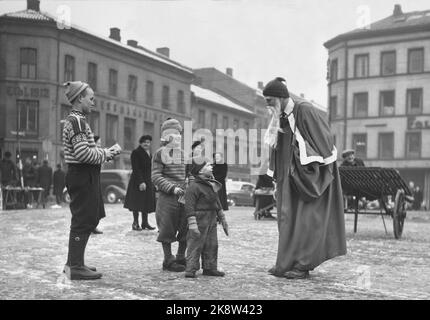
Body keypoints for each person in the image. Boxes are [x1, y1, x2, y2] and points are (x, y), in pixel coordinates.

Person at [263, 77, 346, 279]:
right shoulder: (280, 116)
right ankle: (284, 263)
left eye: (270, 100)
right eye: (266, 101)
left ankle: (303, 265)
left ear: (282, 98)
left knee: (307, 221)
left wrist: (306, 166)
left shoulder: (305, 110)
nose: (268, 105)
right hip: (287, 177)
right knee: (286, 219)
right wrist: (277, 178)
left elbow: (323, 142)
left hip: (308, 176)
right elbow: (277, 148)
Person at [62, 80, 121, 280]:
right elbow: (82, 154)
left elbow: (85, 151)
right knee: (83, 219)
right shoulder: (77, 121)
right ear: (80, 98)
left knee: (87, 218)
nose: (93, 102)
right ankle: (75, 266)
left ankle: (74, 263)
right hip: (82, 173)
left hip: (83, 174)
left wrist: (105, 153)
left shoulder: (76, 120)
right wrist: (107, 153)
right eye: (91, 98)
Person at [152, 118, 188, 272]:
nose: (179, 137)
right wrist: (172, 188)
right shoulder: (160, 153)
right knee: (167, 226)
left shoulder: (184, 154)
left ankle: (181, 256)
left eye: (180, 134)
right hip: (167, 197)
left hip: (184, 197)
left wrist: (190, 184)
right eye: (176, 134)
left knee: (186, 225)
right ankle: (168, 259)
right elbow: (155, 176)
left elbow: (189, 174)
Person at [184, 160, 229, 278]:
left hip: (211, 219)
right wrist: (192, 224)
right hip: (199, 219)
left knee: (212, 244)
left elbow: (216, 202)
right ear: (200, 170)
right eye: (208, 165)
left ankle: (210, 267)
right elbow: (189, 206)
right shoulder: (193, 187)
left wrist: (222, 218)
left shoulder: (210, 185)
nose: (211, 167)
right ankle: (191, 268)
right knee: (195, 244)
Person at [124, 135, 156, 231]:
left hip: (148, 180)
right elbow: (136, 169)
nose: (147, 144)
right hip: (137, 181)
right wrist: (141, 182)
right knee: (136, 203)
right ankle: (135, 223)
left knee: (145, 202)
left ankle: (145, 223)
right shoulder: (136, 152)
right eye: (144, 142)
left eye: (148, 142)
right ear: (140, 143)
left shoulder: (149, 153)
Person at [91, 135, 104, 235]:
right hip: (91, 182)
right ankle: (90, 226)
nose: (99, 145)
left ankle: (93, 225)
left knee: (97, 204)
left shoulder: (98, 153)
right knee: (92, 204)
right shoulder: (90, 154)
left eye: (100, 144)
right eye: (98, 143)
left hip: (96, 181)